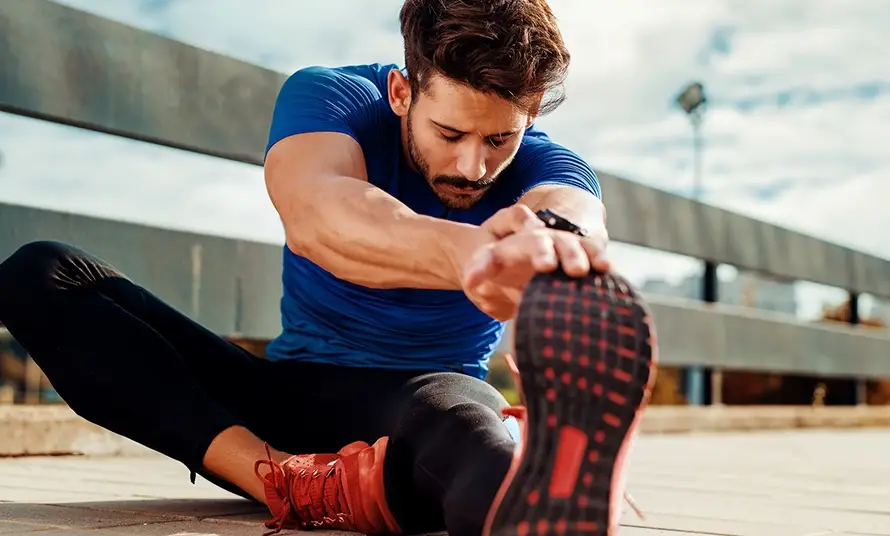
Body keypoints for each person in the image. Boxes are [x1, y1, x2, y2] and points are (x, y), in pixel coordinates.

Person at [0, 0, 657, 535]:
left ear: (532, 112)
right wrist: (477, 252)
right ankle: (284, 481)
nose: (473, 167)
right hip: (286, 399)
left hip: (428, 399)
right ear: (403, 92)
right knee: (41, 274)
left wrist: (559, 247)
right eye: (450, 135)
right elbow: (321, 216)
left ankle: (538, 498)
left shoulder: (550, 164)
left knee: (478, 450)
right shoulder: (332, 98)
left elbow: (572, 213)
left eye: (499, 140)